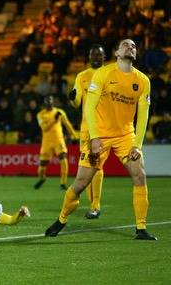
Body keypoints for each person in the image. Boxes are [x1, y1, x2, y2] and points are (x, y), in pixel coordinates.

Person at [45, 39, 157, 240]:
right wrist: (95, 137)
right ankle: (61, 219)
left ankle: (141, 228)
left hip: (125, 136)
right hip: (101, 135)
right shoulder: (103, 74)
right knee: (80, 183)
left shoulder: (143, 81)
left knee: (139, 175)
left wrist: (137, 145)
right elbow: (88, 107)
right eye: (125, 45)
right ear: (116, 52)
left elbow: (143, 115)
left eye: (133, 46)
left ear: (136, 53)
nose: (130, 47)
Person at [69, 44, 106, 219]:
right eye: (93, 55)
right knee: (87, 166)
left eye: (99, 55)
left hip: (103, 127)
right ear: (89, 58)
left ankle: (95, 205)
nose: (96, 58)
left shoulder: (110, 75)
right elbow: (76, 102)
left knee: (97, 164)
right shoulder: (82, 76)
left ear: (104, 57)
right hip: (85, 129)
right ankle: (93, 206)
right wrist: (73, 97)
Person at [34, 95, 78, 190]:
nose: (49, 105)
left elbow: (67, 124)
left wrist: (75, 136)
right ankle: (42, 178)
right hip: (46, 143)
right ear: (44, 104)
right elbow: (44, 128)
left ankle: (63, 183)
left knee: (63, 159)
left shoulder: (60, 112)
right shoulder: (40, 115)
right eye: (47, 104)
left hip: (59, 140)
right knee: (42, 166)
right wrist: (54, 119)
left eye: (50, 103)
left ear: (53, 103)